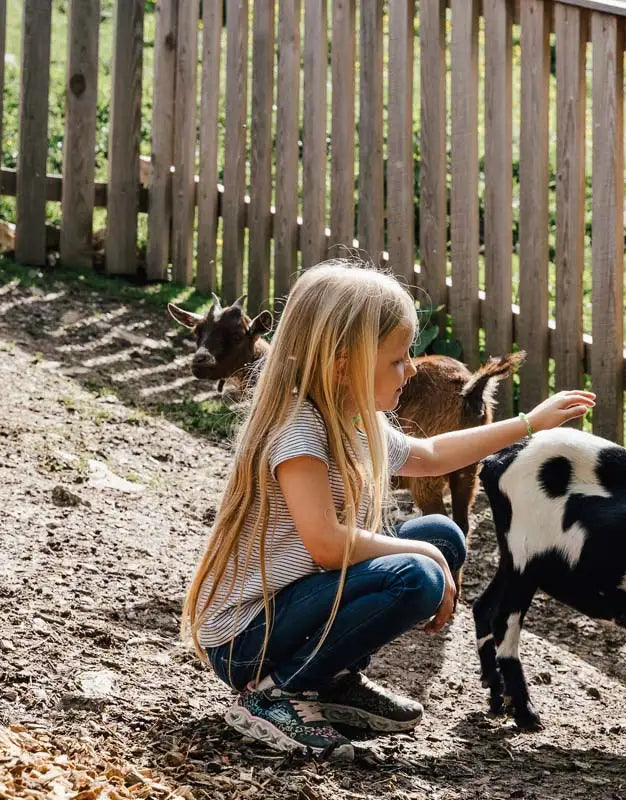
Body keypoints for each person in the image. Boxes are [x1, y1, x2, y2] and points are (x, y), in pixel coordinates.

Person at [181, 260, 595, 761]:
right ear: (343, 362)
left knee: (443, 534)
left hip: (292, 610)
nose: (412, 369)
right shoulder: (299, 430)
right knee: (419, 572)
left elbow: (434, 455)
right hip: (247, 639)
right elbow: (328, 544)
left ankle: (330, 680)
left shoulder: (353, 418)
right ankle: (274, 694)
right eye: (398, 359)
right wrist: (423, 555)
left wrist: (529, 423)